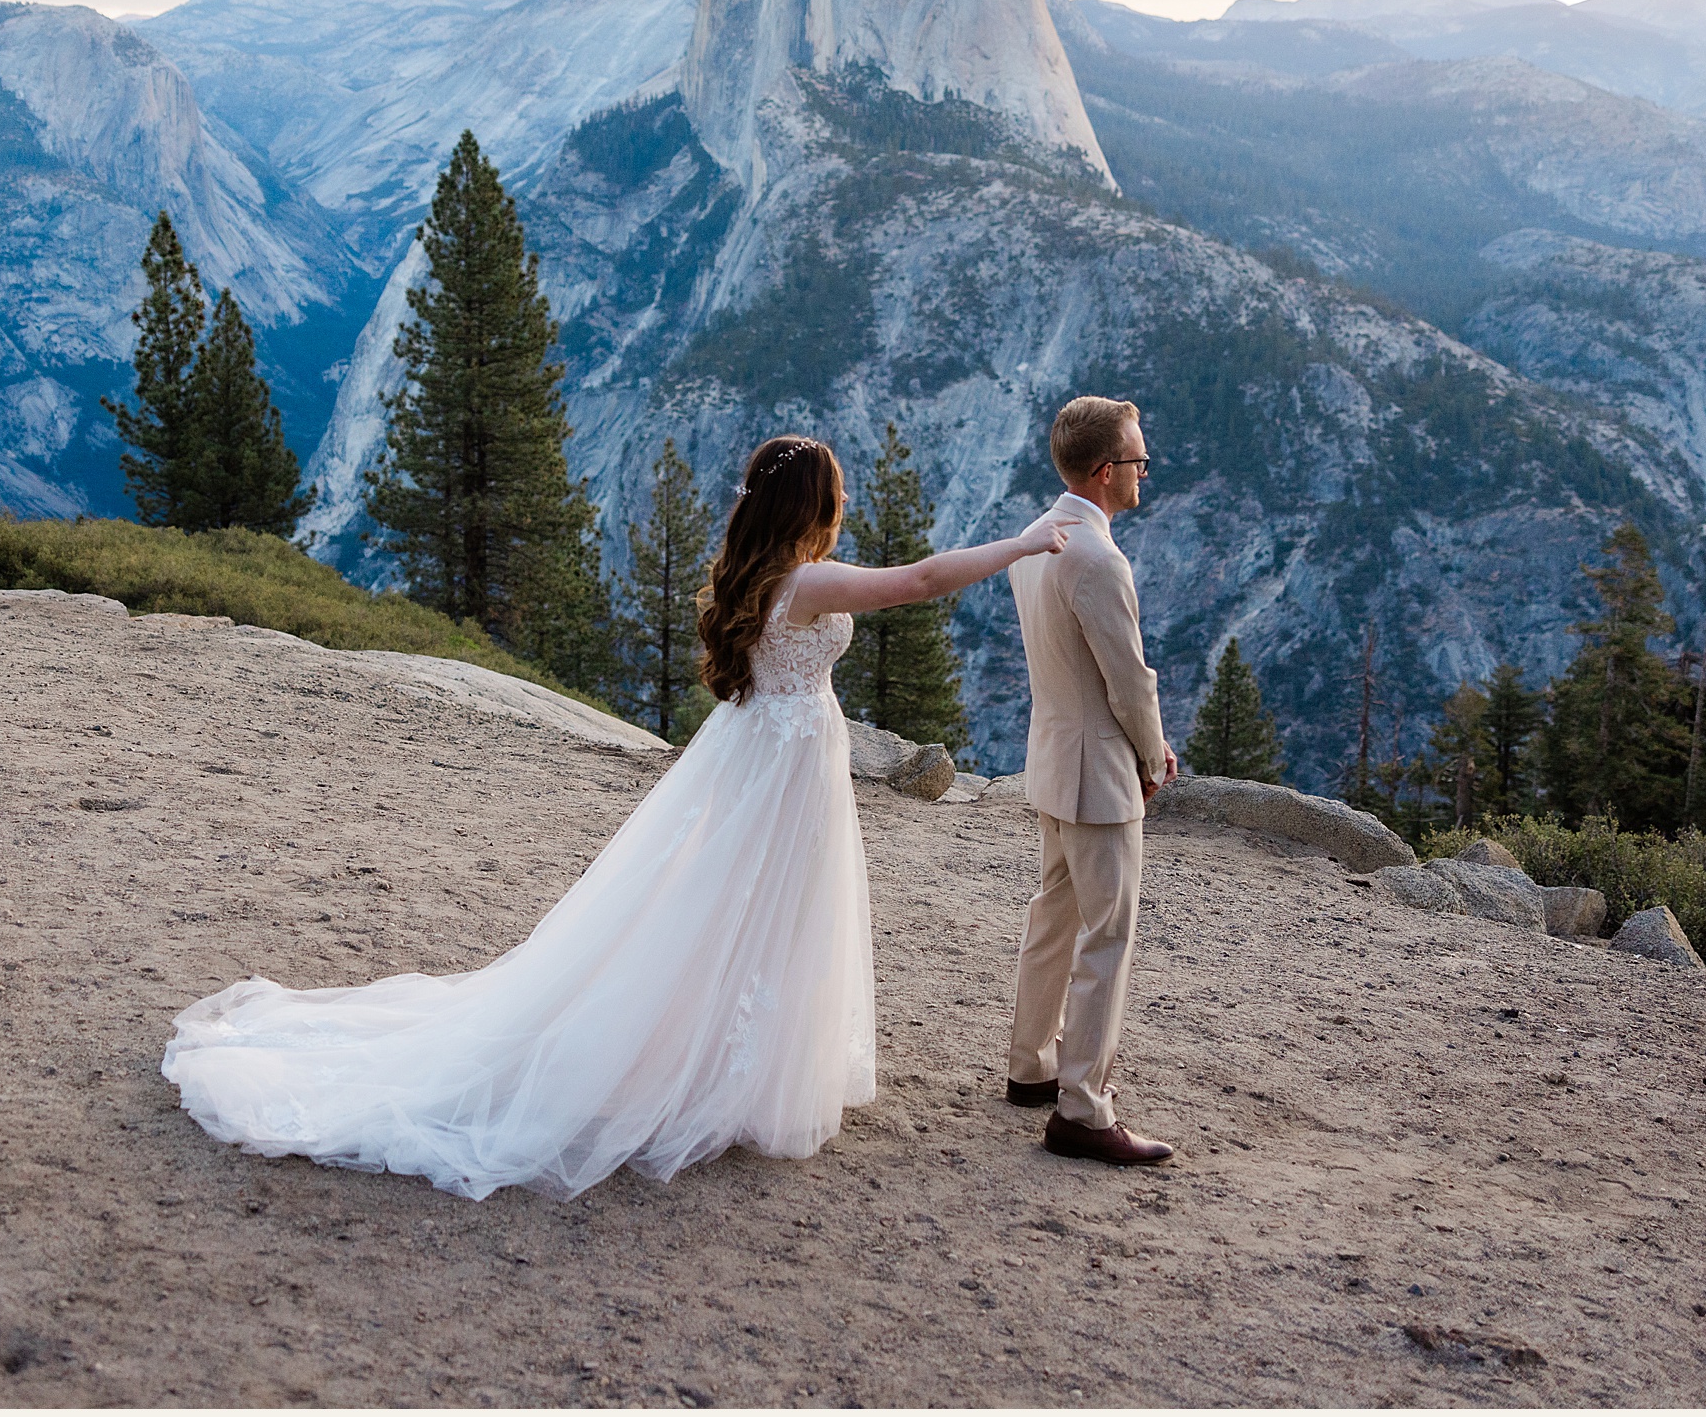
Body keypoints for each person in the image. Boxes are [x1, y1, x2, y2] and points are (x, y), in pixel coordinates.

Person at [161, 434, 1073, 1201]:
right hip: (787, 760)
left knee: (725, 902)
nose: (842, 508)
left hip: (764, 748)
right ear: (810, 508)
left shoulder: (761, 577)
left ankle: (722, 1057)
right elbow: (918, 580)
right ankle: (728, 1073)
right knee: (767, 906)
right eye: (834, 497)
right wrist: (1022, 545)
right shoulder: (805, 585)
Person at [1003, 395, 1179, 1166]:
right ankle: (1084, 1107)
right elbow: (1127, 680)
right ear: (1107, 473)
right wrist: (1153, 752)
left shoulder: (1037, 538)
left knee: (1054, 916)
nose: (1146, 470)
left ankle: (1031, 1063)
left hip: (1050, 757)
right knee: (1107, 934)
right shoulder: (1099, 558)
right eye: (1139, 460)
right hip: (1098, 773)